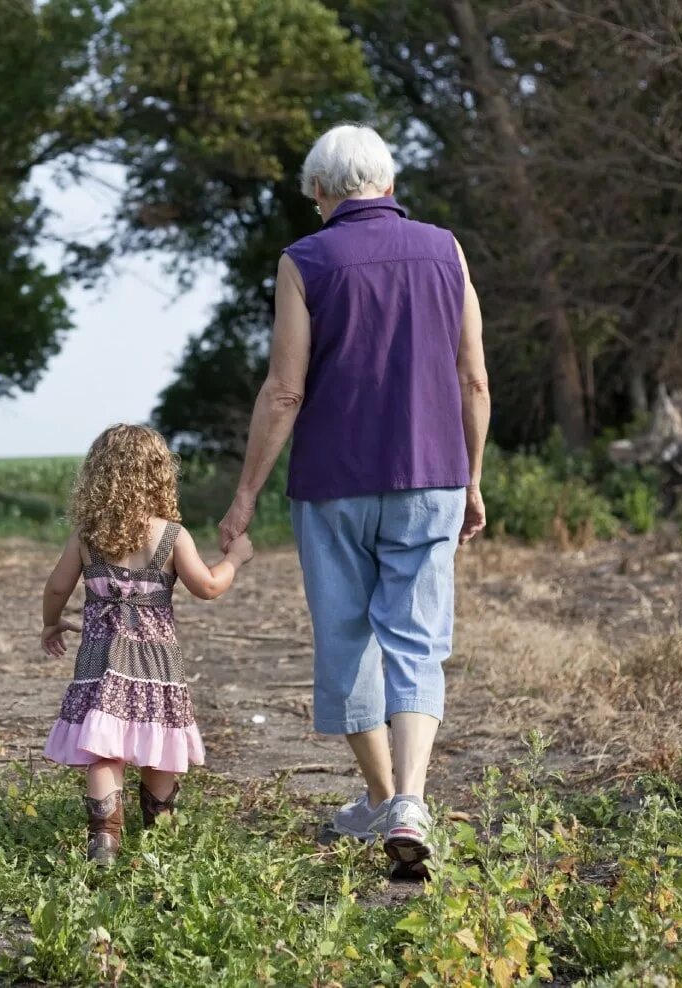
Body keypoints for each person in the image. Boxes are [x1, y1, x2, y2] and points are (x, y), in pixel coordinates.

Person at [217, 124, 490, 878]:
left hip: (333, 485)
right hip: (430, 474)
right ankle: (405, 802)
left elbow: (284, 391)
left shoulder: (305, 259)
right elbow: (473, 379)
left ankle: (385, 798)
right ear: (390, 184)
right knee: (416, 643)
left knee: (347, 642)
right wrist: (471, 477)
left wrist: (244, 499)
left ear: (318, 193)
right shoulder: (447, 250)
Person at [42, 424, 255, 865]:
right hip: (157, 662)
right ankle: (159, 829)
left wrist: (51, 623)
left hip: (101, 657)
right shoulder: (172, 536)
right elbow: (210, 587)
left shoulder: (87, 536)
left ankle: (104, 838)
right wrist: (235, 558)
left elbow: (57, 586)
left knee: (105, 748)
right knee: (158, 739)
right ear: (159, 475)